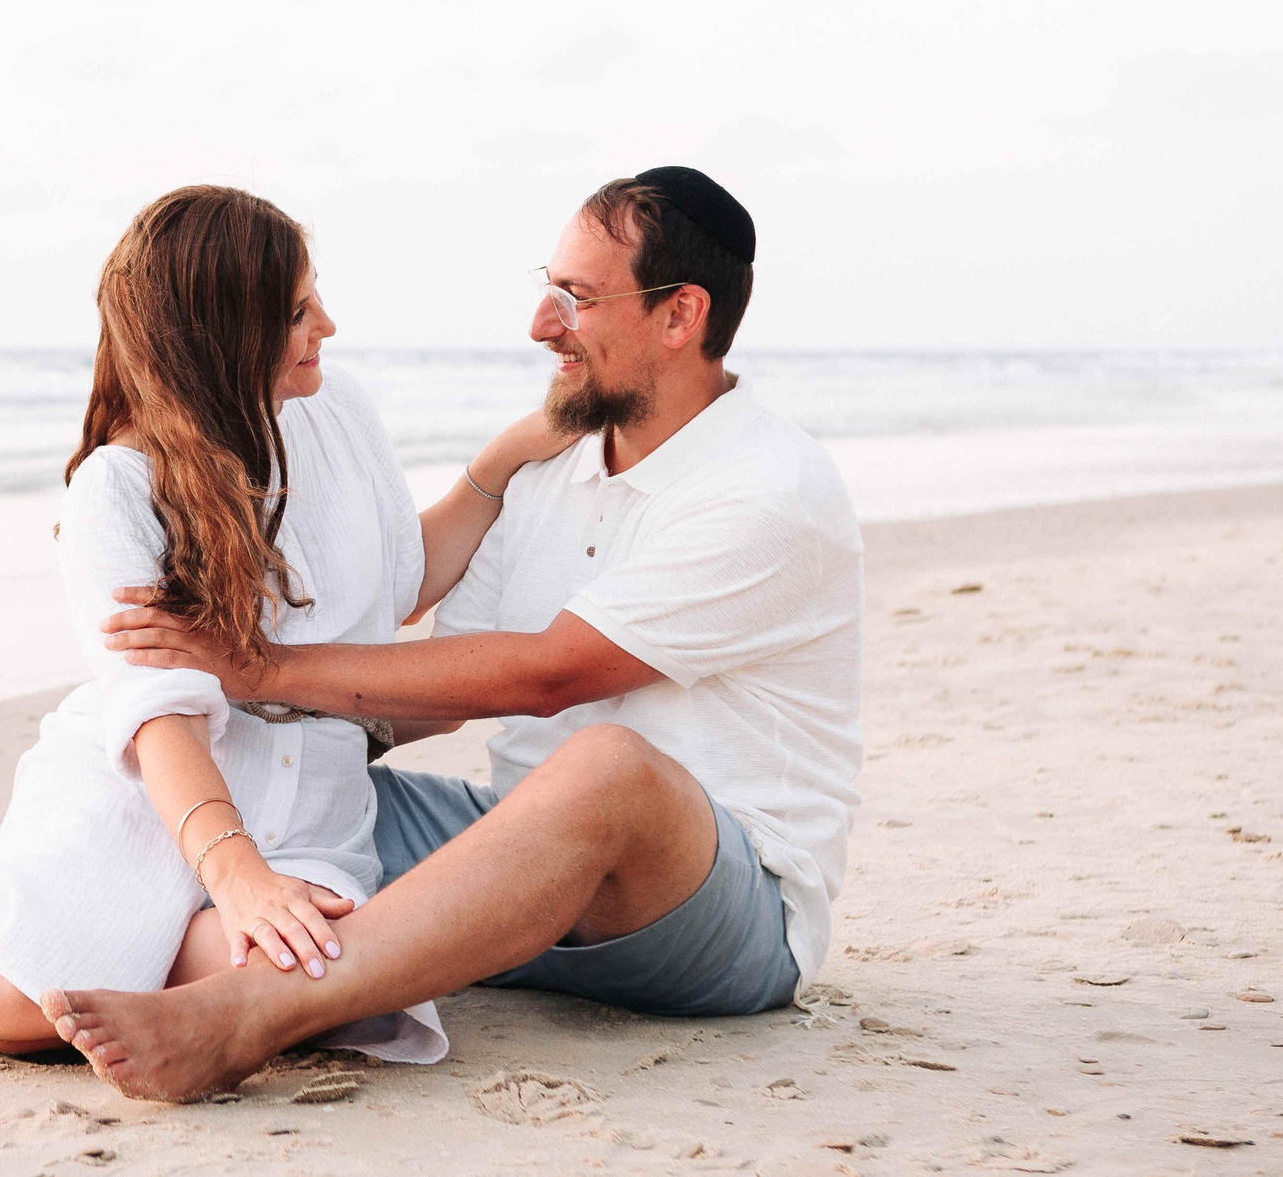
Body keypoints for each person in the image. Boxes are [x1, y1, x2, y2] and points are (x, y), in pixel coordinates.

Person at [0, 184, 567, 1056]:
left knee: (306, 980)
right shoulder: (118, 486)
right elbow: (160, 718)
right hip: (152, 805)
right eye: (298, 312)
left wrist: (508, 457)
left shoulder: (340, 411)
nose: (327, 326)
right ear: (225, 333)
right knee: (14, 1004)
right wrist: (237, 876)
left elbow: (399, 581)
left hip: (309, 819)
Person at [70, 167, 864, 1100]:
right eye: (548, 288)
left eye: (576, 297)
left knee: (612, 769)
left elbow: (543, 676)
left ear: (681, 314)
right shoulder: (549, 470)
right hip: (531, 868)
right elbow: (439, 693)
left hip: (721, 908)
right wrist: (235, 720)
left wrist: (255, 668)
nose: (540, 324)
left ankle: (249, 1013)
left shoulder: (769, 487)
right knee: (281, 790)